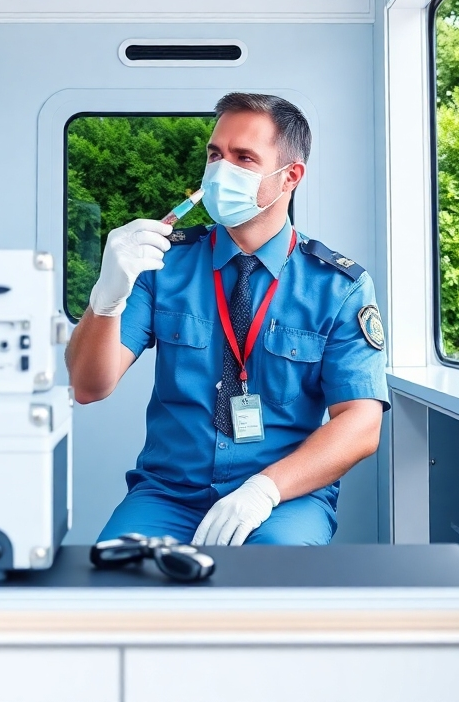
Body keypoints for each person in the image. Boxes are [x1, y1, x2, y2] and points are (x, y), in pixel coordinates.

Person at [65, 93, 389, 547]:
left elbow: (361, 423)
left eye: (244, 158)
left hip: (282, 498)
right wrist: (106, 299)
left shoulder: (338, 286)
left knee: (271, 592)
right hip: (167, 495)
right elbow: (88, 386)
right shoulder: (164, 263)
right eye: (215, 155)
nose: (220, 171)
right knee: (115, 592)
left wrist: (264, 490)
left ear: (289, 176)